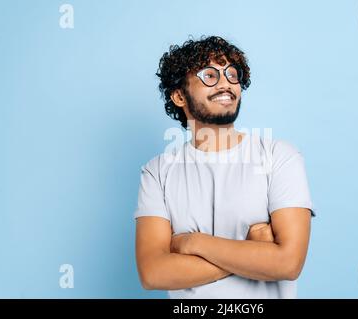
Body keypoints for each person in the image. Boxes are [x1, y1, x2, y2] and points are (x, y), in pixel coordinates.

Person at [134, 35, 315, 298]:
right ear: (179, 95)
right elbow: (153, 274)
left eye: (232, 74)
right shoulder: (158, 172)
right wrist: (252, 251)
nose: (225, 84)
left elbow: (287, 263)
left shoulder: (279, 157)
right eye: (209, 75)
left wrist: (192, 242)